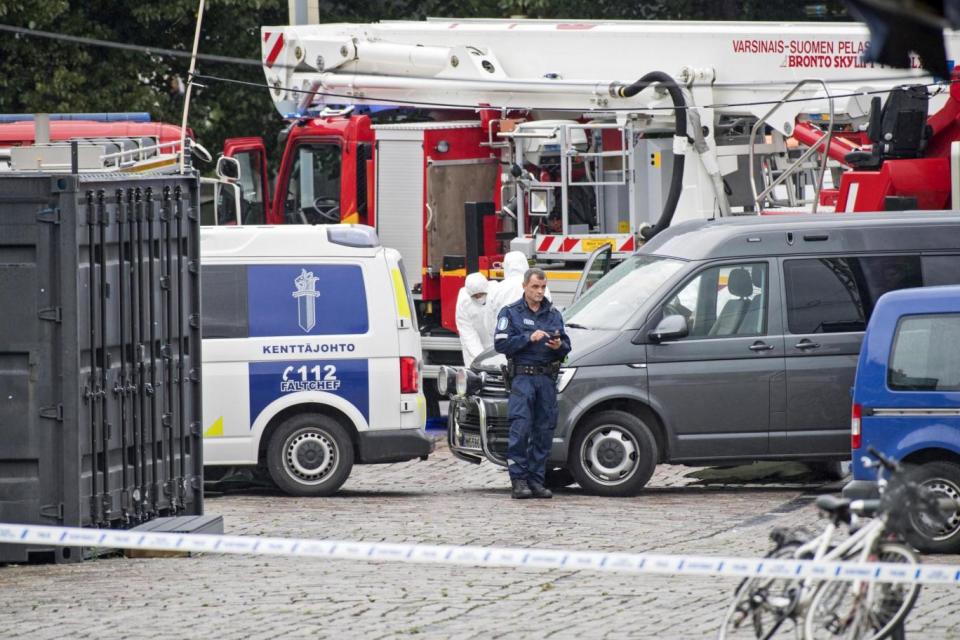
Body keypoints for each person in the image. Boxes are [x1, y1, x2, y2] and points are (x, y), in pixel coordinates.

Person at [494, 268, 571, 499]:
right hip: (523, 378)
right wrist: (529, 338)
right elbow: (501, 344)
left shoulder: (553, 314)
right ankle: (518, 481)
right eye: (535, 287)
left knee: (544, 431)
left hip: (546, 379)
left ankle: (537, 480)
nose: (539, 292)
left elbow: (566, 346)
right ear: (525, 287)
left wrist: (560, 348)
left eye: (543, 287)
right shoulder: (511, 313)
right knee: (521, 428)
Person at [485, 251, 550, 338]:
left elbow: (489, 321)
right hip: (535, 341)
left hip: (507, 342)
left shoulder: (496, 289)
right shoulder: (540, 287)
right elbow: (549, 316)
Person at [455, 272, 492, 367]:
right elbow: (468, 334)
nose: (479, 298)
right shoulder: (464, 301)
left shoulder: (496, 292)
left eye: (481, 294)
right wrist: (481, 358)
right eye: (476, 296)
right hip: (474, 349)